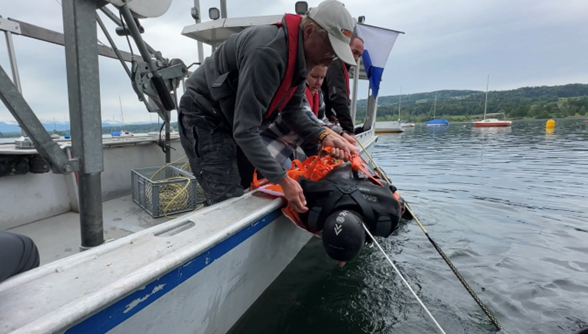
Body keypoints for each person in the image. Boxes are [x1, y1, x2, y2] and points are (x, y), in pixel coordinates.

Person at [178, 0, 359, 213]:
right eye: (330, 50)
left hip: (231, 118)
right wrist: (284, 181)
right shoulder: (268, 53)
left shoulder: (300, 61)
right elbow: (245, 130)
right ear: (309, 31)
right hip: (204, 116)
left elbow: (293, 111)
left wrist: (324, 136)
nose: (330, 60)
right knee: (226, 198)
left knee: (251, 182)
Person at [261, 65, 354, 170]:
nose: (319, 82)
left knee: (309, 171)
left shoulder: (318, 94)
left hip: (293, 147)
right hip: (274, 143)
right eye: (314, 77)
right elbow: (313, 122)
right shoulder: (297, 93)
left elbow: (322, 120)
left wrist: (342, 133)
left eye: (322, 78)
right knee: (293, 175)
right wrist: (347, 145)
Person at [321, 35, 365, 135]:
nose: (356, 58)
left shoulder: (340, 64)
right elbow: (338, 97)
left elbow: (326, 92)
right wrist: (349, 130)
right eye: (354, 52)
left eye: (359, 55)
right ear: (345, 46)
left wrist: (329, 114)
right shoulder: (336, 63)